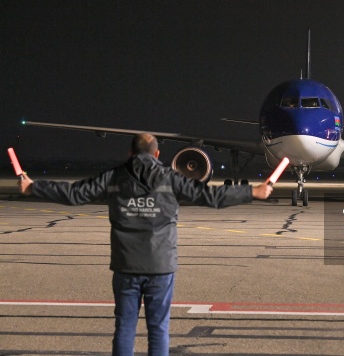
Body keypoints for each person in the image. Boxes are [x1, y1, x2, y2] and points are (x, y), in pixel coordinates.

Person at [19, 133, 273, 355]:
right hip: (160, 267)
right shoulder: (171, 178)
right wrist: (252, 192)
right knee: (158, 329)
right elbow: (210, 196)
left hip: (126, 266)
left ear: (130, 153)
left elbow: (74, 194)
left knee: (125, 328)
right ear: (157, 154)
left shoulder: (114, 177)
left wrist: (33, 188)